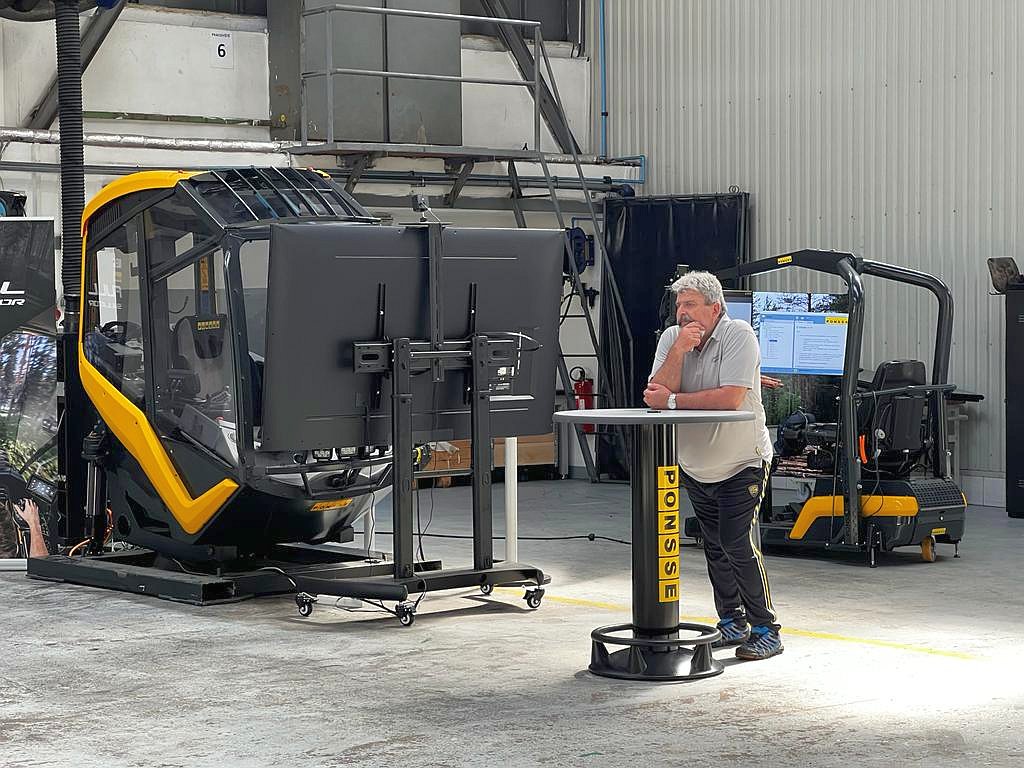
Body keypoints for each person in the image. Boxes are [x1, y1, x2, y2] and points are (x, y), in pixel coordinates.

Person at [644, 271, 782, 661]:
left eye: (690, 304)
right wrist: (677, 351)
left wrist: (673, 401)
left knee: (737, 543)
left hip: (742, 463)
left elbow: (730, 398)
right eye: (679, 305)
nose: (682, 313)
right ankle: (732, 622)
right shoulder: (672, 339)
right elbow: (654, 392)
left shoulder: (739, 335)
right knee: (716, 547)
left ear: (715, 307)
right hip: (695, 466)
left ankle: (766, 628)